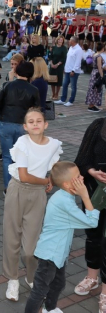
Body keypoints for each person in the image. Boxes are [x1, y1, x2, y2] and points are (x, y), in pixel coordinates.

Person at [3, 108, 63, 302]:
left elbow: (54, 166)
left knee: (31, 247)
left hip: (37, 196)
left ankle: (31, 277)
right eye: (31, 121)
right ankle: (12, 279)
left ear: (45, 124)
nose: (35, 124)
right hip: (18, 190)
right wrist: (47, 182)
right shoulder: (23, 143)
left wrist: (53, 178)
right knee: (12, 238)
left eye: (39, 121)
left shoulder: (53, 144)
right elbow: (24, 175)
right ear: (25, 127)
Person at [24, 161, 99, 313]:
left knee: (58, 284)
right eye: (78, 177)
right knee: (39, 291)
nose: (82, 178)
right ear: (67, 185)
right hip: (50, 254)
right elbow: (92, 222)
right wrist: (85, 196)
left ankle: (49, 309)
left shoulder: (64, 196)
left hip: (57, 253)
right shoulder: (64, 202)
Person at [74, 117, 106, 310]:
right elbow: (81, 160)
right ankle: (92, 278)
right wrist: (92, 172)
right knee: (93, 235)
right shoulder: (97, 126)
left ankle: (105, 292)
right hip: (94, 192)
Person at [0, 61, 40, 191]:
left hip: (6, 122)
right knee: (20, 157)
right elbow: (37, 111)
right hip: (22, 125)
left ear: (17, 71)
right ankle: (20, 184)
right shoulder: (34, 90)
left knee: (7, 157)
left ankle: (8, 188)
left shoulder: (7, 86)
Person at [55, 36, 82, 107]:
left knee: (73, 86)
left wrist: (73, 70)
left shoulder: (79, 50)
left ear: (73, 41)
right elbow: (68, 59)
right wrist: (65, 68)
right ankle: (63, 99)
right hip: (67, 70)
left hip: (74, 71)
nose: (68, 41)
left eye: (70, 40)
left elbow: (78, 62)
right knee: (64, 85)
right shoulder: (70, 48)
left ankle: (71, 100)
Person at [85, 42, 105, 112]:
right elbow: (99, 67)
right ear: (102, 48)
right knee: (96, 89)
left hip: (93, 72)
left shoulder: (94, 54)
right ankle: (91, 105)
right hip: (97, 73)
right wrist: (102, 76)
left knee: (92, 88)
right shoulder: (99, 56)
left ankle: (91, 104)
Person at [48, 35, 67, 100]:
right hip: (52, 65)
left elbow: (63, 58)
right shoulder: (53, 47)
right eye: (59, 39)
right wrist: (51, 64)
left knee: (58, 80)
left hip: (59, 66)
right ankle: (53, 93)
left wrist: (57, 64)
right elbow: (50, 56)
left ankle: (57, 94)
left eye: (61, 40)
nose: (60, 41)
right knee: (52, 80)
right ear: (57, 40)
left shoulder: (64, 48)